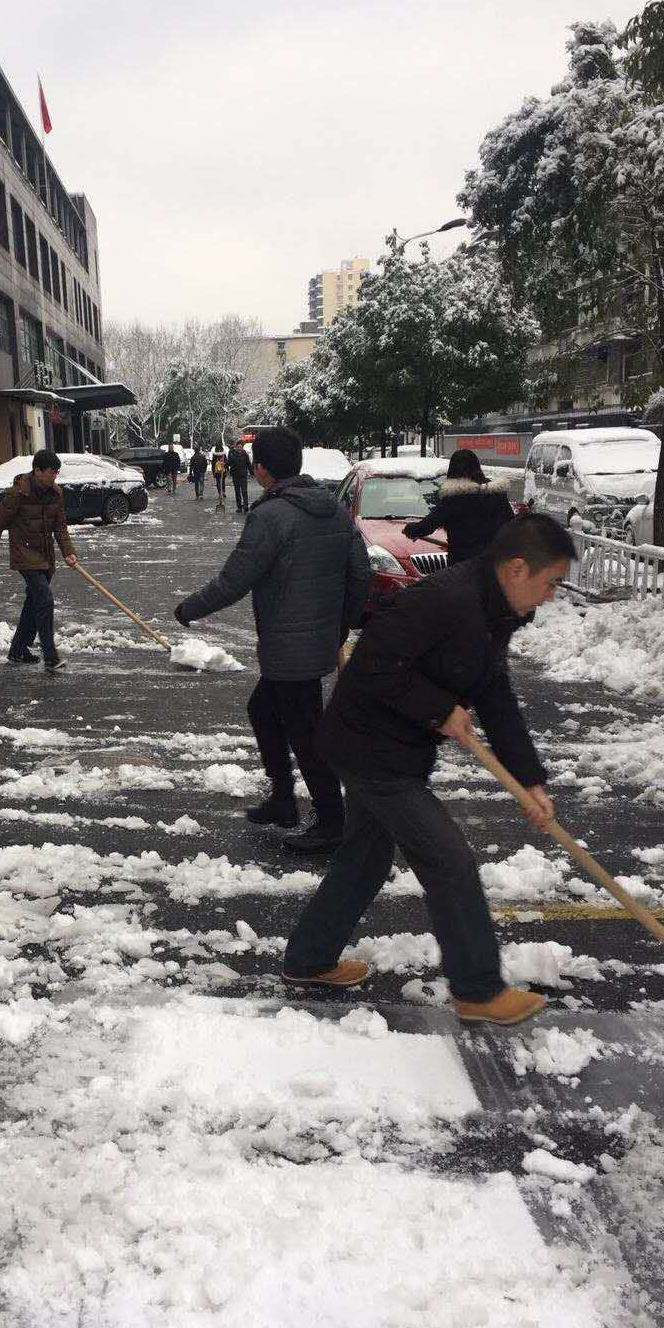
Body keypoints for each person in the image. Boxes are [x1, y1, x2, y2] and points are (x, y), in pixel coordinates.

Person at [281, 513, 575, 1027]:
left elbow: (494, 694)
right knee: (449, 860)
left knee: (365, 859)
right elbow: (370, 664)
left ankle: (308, 959)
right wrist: (438, 709)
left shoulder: (494, 610)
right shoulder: (443, 599)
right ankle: (478, 989)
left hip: (390, 749)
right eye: (551, 583)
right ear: (517, 569)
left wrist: (530, 780)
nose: (551, 596)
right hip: (371, 750)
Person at [175, 427, 369, 853]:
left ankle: (331, 821)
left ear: (261, 470)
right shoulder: (334, 510)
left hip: (288, 646)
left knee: (305, 731)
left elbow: (235, 579)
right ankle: (283, 800)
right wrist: (342, 624)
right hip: (316, 641)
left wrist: (189, 608)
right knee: (264, 710)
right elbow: (360, 573)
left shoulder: (270, 516)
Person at [0, 448, 78, 673]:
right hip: (24, 554)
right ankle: (50, 657)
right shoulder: (18, 494)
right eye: (52, 472)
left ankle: (18, 650)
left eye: (57, 472)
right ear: (37, 471)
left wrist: (68, 551)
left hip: (46, 556)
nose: (55, 476)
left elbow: (60, 527)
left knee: (33, 602)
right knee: (44, 599)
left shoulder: (56, 494)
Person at [402, 449, 515, 565]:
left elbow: (430, 523)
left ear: (452, 470)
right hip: (493, 562)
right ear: (477, 467)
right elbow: (511, 525)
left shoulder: (454, 497)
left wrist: (412, 530)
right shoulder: (496, 493)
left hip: (463, 564)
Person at [228, 442, 252, 513]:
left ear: (242, 447)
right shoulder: (232, 455)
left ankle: (245, 506)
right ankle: (239, 507)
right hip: (235, 476)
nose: (239, 448)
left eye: (240, 447)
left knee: (244, 491)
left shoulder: (245, 455)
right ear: (236, 447)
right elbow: (229, 463)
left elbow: (248, 464)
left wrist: (252, 472)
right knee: (237, 492)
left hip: (243, 475)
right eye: (238, 447)